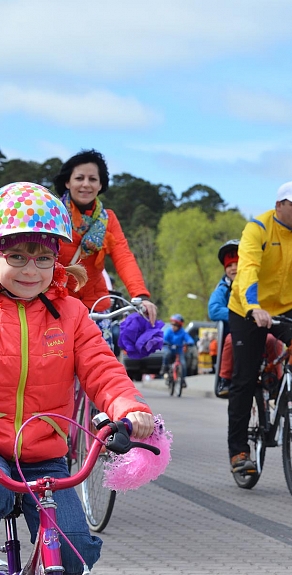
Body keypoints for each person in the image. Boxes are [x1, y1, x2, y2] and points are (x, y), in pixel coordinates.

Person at [0, 182, 154, 575]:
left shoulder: (69, 314)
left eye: (42, 258)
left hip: (44, 457)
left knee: (74, 553)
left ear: (57, 261)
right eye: (15, 257)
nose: (30, 270)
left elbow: (101, 368)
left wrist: (129, 407)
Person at [227, 182, 292, 473]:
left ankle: (290, 388)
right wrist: (253, 306)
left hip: (288, 303)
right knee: (244, 379)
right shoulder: (258, 228)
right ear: (279, 205)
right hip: (248, 307)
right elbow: (248, 268)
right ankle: (239, 452)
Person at [52, 149, 157, 325]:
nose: (86, 184)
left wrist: (140, 296)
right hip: (56, 304)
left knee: (103, 352)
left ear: (101, 185)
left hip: (95, 308)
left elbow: (123, 257)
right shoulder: (53, 213)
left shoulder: (108, 219)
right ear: (67, 182)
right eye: (79, 178)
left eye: (93, 179)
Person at [208, 239, 239, 396]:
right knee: (230, 340)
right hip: (234, 332)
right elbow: (213, 310)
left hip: (257, 329)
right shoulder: (223, 289)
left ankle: (279, 379)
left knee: (272, 342)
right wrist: (238, 314)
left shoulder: (257, 285)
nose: (233, 268)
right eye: (229, 265)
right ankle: (224, 379)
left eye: (237, 264)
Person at [161, 314, 195, 388]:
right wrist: (164, 342)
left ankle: (183, 379)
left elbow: (188, 338)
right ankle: (164, 368)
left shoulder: (182, 332)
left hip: (178, 350)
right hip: (169, 348)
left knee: (183, 364)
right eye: (172, 324)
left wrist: (190, 342)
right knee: (167, 354)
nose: (173, 326)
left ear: (179, 326)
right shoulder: (169, 331)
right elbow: (164, 338)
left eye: (175, 325)